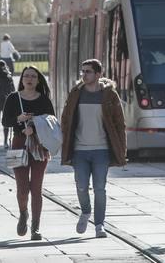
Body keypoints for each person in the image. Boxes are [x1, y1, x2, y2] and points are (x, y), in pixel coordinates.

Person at [58, 59, 126, 239]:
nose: (84, 75)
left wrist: (122, 150)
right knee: (81, 186)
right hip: (79, 149)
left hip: (101, 150)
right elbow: (66, 120)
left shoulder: (109, 95)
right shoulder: (75, 94)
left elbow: (119, 124)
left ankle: (99, 225)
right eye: (83, 71)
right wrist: (65, 143)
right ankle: (85, 212)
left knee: (100, 188)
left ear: (98, 74)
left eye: (88, 72)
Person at [1, 65, 54, 240]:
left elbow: (51, 122)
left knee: (36, 188)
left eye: (33, 76)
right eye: (26, 76)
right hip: (18, 143)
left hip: (40, 145)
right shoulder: (13, 98)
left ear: (38, 80)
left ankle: (36, 228)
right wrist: (19, 119)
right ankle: (23, 213)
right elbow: (5, 121)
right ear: (22, 79)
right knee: (22, 188)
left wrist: (35, 129)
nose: (29, 79)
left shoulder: (44, 100)